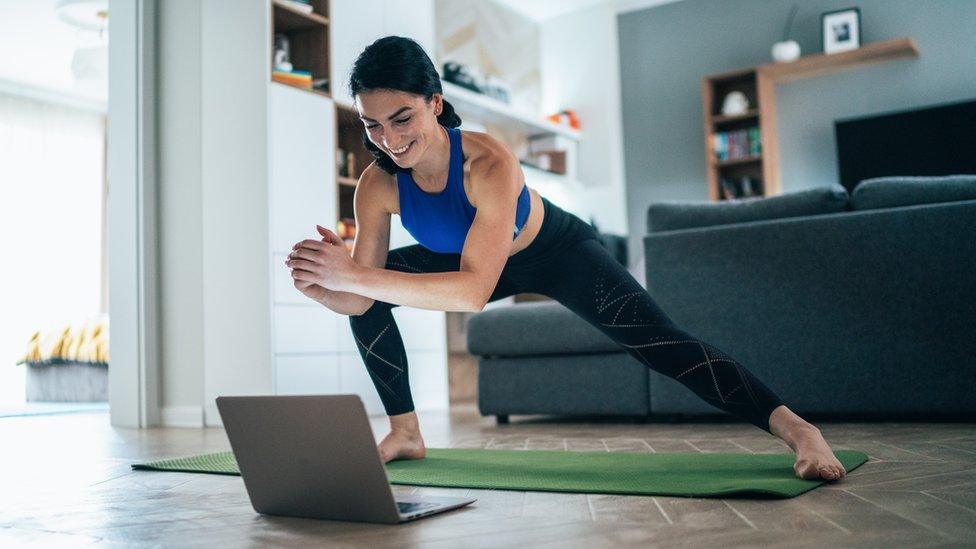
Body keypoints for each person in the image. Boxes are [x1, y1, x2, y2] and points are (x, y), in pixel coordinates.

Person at [284, 36, 846, 481]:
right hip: (467, 262)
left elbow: (473, 292)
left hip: (554, 251)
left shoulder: (489, 164)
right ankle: (405, 431)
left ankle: (799, 431)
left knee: (661, 343)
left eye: (401, 118)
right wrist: (331, 287)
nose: (387, 138)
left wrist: (357, 275)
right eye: (371, 124)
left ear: (435, 102)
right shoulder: (376, 185)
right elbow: (364, 297)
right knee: (370, 303)